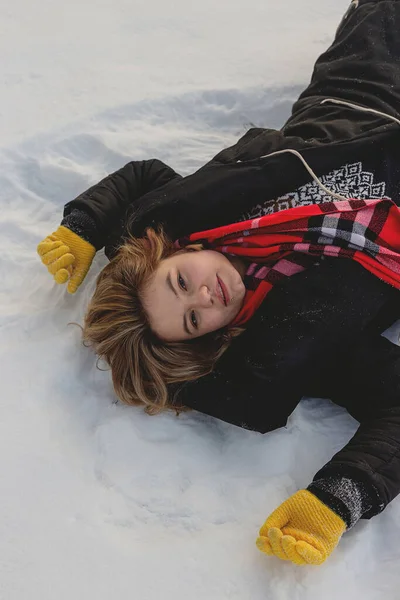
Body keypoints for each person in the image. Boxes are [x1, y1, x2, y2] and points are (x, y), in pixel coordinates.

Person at [37, 0, 400, 567]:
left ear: (178, 251)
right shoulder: (299, 343)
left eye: (182, 281)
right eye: (192, 319)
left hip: (365, 90)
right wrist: (337, 498)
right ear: (206, 338)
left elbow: (143, 178)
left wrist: (83, 222)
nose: (204, 296)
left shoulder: (207, 212)